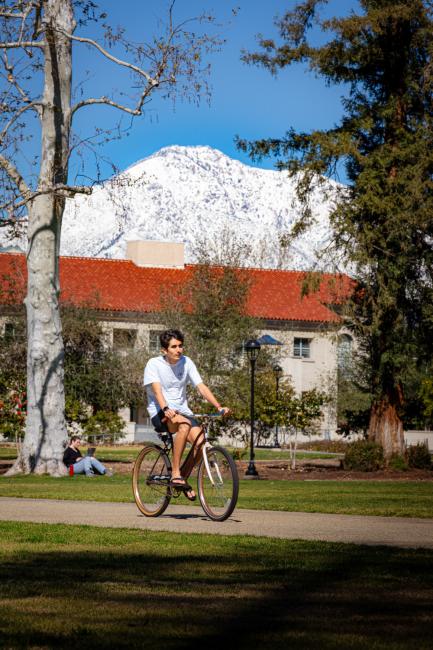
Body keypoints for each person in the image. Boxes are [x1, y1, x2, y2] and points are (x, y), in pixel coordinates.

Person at [143, 328, 229, 501]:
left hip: (183, 411)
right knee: (184, 425)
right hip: (160, 411)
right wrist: (166, 408)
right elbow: (157, 391)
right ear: (164, 350)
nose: (178, 350)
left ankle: (183, 478)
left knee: (201, 442)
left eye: (180, 346)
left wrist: (218, 406)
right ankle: (175, 473)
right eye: (174, 347)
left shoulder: (187, 362)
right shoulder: (154, 364)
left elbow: (201, 386)